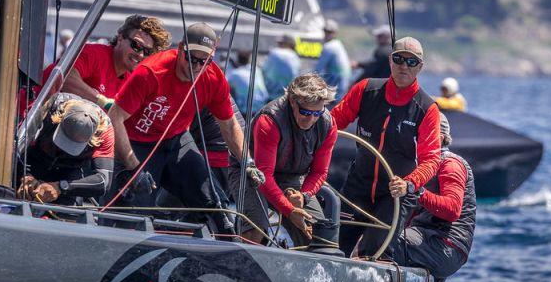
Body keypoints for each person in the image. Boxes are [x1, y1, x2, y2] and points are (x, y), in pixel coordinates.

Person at [108, 23, 264, 234]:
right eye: (192, 58)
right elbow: (115, 117)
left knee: (214, 201)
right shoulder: (151, 72)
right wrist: (133, 167)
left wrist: (248, 163)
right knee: (134, 207)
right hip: (138, 144)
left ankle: (225, 248)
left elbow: (229, 125)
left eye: (205, 61)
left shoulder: (213, 78)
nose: (197, 66)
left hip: (177, 140)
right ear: (181, 48)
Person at [330, 36, 441, 260]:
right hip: (358, 185)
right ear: (390, 60)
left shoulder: (427, 108)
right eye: (399, 59)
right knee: (334, 247)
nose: (404, 66)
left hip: (394, 193)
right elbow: (331, 125)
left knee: (374, 253)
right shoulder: (365, 89)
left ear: (420, 67)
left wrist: (409, 183)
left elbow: (432, 159)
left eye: (411, 62)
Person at [231, 73, 338, 247]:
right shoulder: (270, 120)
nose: (310, 119)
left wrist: (303, 196)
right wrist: (289, 211)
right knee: (255, 232)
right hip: (252, 174)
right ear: (292, 101)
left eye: (317, 113)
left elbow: (320, 171)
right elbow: (264, 176)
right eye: (305, 112)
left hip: (291, 177)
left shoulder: (328, 124)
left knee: (320, 238)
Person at [397, 114, 475, 282]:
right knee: (379, 234)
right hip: (428, 238)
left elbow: (452, 210)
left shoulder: (450, 164)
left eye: (420, 133)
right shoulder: (422, 165)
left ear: (438, 137)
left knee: (383, 241)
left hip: (446, 246)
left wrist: (415, 191)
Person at [31, 14, 171, 113]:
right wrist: (102, 101)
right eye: (136, 45)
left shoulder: (130, 79)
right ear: (121, 38)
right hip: (30, 116)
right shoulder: (94, 54)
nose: (140, 54)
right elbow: (63, 77)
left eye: (147, 52)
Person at [17, 93, 114, 204]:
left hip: (68, 172)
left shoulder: (105, 131)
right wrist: (25, 175)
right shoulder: (48, 107)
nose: (62, 149)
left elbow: (104, 182)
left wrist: (61, 187)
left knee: (69, 210)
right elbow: (14, 146)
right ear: (59, 118)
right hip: (33, 160)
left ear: (93, 137)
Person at [315, 19, 352, 101]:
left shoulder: (329, 46)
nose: (327, 34)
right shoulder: (338, 44)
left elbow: (317, 69)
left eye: (329, 32)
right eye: (326, 31)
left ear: (335, 33)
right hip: (343, 85)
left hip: (336, 85)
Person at [262, 34, 301, 100]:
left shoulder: (274, 52)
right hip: (287, 97)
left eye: (281, 43)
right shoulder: (295, 56)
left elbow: (264, 71)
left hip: (271, 96)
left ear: (289, 44)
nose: (279, 45)